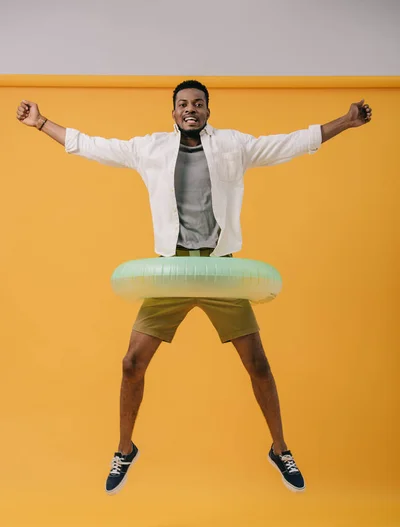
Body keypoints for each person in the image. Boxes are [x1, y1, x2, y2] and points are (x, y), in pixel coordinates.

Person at [16, 80, 372, 495]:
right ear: (173, 112)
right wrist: (42, 124)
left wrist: (346, 122)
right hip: (173, 269)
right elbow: (94, 145)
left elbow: (289, 143)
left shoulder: (233, 146)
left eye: (198, 104)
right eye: (183, 104)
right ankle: (124, 448)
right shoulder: (149, 149)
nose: (191, 109)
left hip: (220, 268)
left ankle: (280, 448)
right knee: (132, 364)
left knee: (258, 364)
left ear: (207, 111)